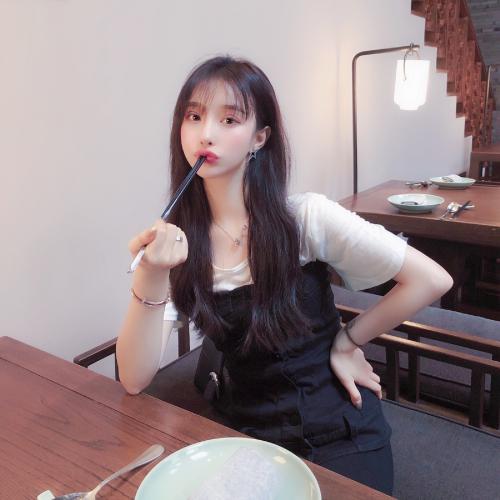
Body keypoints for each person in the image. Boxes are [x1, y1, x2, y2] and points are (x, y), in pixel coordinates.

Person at [116, 56, 453, 495]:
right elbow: (134, 378)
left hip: (340, 427)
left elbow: (431, 279)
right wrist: (151, 274)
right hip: (247, 438)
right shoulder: (179, 245)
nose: (206, 133)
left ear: (260, 137)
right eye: (194, 116)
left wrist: (347, 341)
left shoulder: (305, 217)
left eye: (229, 119)